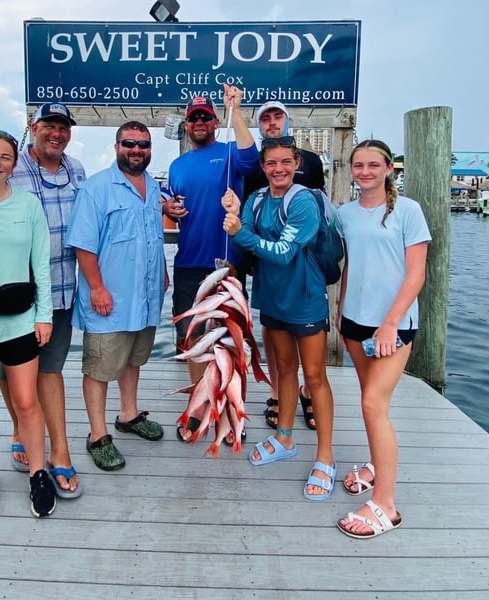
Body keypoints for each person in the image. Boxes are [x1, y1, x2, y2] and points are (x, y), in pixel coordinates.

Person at [222, 136, 336, 501]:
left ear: (296, 162)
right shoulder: (256, 200)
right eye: (271, 163)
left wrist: (242, 232)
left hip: (304, 301)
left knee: (315, 377)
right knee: (284, 369)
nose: (278, 169)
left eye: (285, 162)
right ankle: (284, 437)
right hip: (271, 299)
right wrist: (237, 220)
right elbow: (246, 241)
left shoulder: (302, 201)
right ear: (263, 167)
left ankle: (325, 456)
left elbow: (284, 252)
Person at [335, 139, 431, 538]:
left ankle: (385, 505)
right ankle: (376, 465)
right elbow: (348, 265)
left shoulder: (407, 211)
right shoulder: (344, 214)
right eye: (358, 165)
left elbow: (416, 274)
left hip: (393, 326)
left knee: (374, 404)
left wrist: (390, 323)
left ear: (389, 168)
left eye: (374, 165)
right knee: (369, 401)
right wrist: (340, 316)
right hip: (355, 321)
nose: (365, 171)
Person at [0, 130, 57, 518]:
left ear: (14, 164)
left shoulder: (29, 204)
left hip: (20, 318)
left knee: (26, 401)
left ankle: (38, 472)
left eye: (5, 157)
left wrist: (44, 314)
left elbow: (41, 262)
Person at [65, 121, 167, 471]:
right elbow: (83, 243)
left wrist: (163, 271)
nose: (136, 150)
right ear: (116, 146)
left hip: (146, 297)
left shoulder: (153, 188)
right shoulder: (96, 188)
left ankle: (129, 414)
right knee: (100, 367)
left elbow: (153, 236)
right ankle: (97, 434)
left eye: (143, 144)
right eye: (129, 143)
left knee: (133, 360)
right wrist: (96, 287)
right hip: (109, 299)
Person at [164, 84, 260, 443]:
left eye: (206, 116)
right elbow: (173, 202)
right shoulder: (176, 165)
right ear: (187, 125)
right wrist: (167, 208)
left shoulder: (233, 153)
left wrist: (236, 109)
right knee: (193, 342)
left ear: (215, 121)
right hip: (189, 264)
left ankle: (235, 413)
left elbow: (253, 158)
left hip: (226, 265)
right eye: (194, 118)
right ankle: (198, 408)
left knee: (232, 344)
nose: (200, 122)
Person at [1, 102, 86, 500]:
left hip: (62, 288)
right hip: (13, 292)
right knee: (8, 372)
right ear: (34, 127)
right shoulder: (10, 167)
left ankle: (60, 450)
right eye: (49, 125)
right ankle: (20, 428)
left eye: (63, 126)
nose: (56, 133)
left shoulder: (78, 170)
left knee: (50, 371)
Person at [242, 101, 326, 433]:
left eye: (278, 116)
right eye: (266, 118)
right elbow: (247, 221)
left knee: (312, 363)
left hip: (302, 275)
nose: (279, 169)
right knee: (280, 351)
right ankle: (279, 396)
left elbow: (311, 216)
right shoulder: (253, 177)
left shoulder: (310, 173)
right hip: (268, 276)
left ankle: (309, 396)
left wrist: (242, 234)